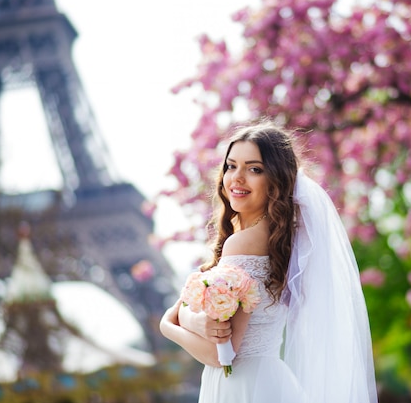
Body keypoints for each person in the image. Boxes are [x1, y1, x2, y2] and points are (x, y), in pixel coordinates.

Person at [160, 121, 378, 403]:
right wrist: (195, 321)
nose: (237, 178)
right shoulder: (281, 241)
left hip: (242, 387)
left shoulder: (244, 243)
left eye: (254, 169)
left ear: (276, 179)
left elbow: (220, 354)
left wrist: (168, 325)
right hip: (264, 381)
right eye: (231, 166)